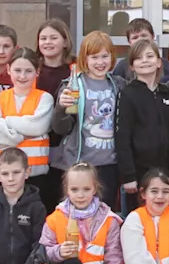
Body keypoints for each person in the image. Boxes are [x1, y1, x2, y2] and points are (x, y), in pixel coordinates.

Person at [53, 31, 125, 212]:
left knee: (104, 214)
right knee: (77, 213)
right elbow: (60, 128)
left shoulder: (119, 84)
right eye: (94, 57)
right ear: (85, 59)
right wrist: (61, 108)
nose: (100, 62)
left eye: (104, 56)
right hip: (80, 163)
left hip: (110, 163)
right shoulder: (73, 85)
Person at [42, 163, 125, 264]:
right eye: (74, 189)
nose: (80, 195)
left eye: (86, 189)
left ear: (95, 189)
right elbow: (43, 255)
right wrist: (58, 252)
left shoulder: (109, 220)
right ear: (66, 190)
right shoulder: (54, 219)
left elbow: (114, 259)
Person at [0, 48, 55, 202]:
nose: (22, 76)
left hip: (36, 175)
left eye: (28, 71)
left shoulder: (44, 99)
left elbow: (38, 127)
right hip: (1, 176)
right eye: (17, 70)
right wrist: (24, 133)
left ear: (37, 72)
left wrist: (6, 121)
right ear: (9, 70)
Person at [114, 39, 169, 202]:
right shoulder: (127, 94)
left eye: (149, 56)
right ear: (131, 66)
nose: (145, 61)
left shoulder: (167, 94)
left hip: (167, 170)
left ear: (158, 62)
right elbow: (122, 136)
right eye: (139, 58)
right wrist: (128, 175)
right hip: (139, 172)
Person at [112, 18, 169, 82]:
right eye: (135, 37)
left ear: (152, 37)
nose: (140, 40)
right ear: (129, 42)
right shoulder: (122, 66)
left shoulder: (166, 64)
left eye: (144, 35)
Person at [35, 18, 74, 98]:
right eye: (43, 38)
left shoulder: (76, 68)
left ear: (65, 42)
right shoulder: (31, 67)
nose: (48, 42)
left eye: (53, 38)